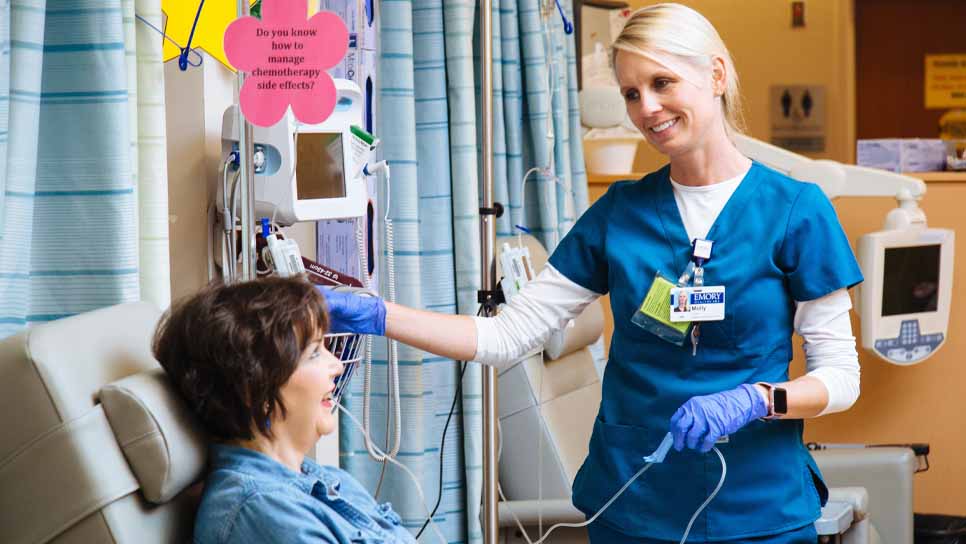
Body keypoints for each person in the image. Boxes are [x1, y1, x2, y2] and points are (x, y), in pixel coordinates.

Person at [323, 3, 862, 542]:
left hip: (757, 507)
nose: (647, 108)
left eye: (662, 83)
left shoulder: (795, 211)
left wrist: (758, 400)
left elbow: (840, 377)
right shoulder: (618, 215)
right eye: (631, 93)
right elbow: (504, 335)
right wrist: (379, 314)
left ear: (716, 75)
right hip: (634, 502)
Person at [153, 277, 416, 544]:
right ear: (257, 390)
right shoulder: (262, 512)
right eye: (314, 353)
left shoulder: (327, 482)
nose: (337, 365)